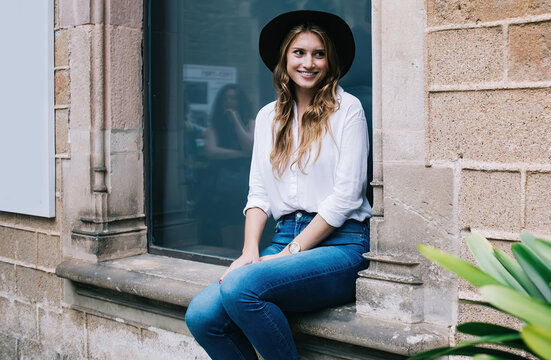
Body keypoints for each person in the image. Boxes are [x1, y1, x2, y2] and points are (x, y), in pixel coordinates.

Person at [185, 10, 372, 360]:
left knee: (242, 288)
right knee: (202, 316)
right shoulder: (267, 117)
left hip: (343, 243)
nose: (309, 62)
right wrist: (250, 250)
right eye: (299, 53)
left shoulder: (348, 109)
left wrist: (293, 251)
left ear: (329, 61)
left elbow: (346, 196)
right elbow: (258, 192)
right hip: (285, 236)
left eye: (319, 54)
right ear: (284, 59)